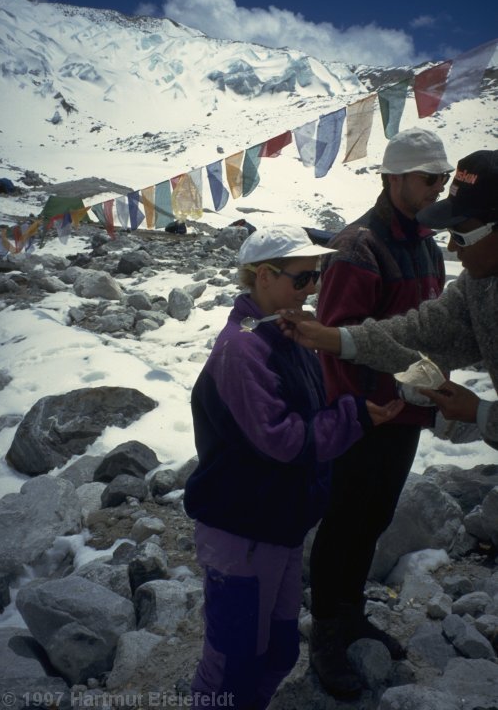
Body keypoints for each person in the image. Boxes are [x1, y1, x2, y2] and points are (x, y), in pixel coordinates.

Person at [183, 224, 404, 710]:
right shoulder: (242, 348)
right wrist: (355, 418)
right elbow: (281, 439)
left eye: (318, 277)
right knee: (233, 660)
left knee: (279, 650)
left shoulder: (282, 332)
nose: (314, 290)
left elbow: (314, 404)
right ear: (263, 276)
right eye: (302, 279)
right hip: (241, 528)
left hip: (279, 523)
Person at [304, 127, 455, 697]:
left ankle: (350, 612)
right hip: (363, 414)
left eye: (441, 179)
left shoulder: (428, 244)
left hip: (406, 412)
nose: (437, 188)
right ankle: (326, 629)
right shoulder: (359, 248)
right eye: (428, 179)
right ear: (394, 180)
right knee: (345, 518)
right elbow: (335, 338)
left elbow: (436, 326)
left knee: (374, 518)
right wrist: (369, 407)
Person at [279, 149, 498, 447]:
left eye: (460, 236)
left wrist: (482, 414)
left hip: (400, 414)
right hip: (372, 417)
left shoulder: (429, 249)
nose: (452, 248)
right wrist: (331, 338)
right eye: (430, 178)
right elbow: (421, 330)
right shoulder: (476, 283)